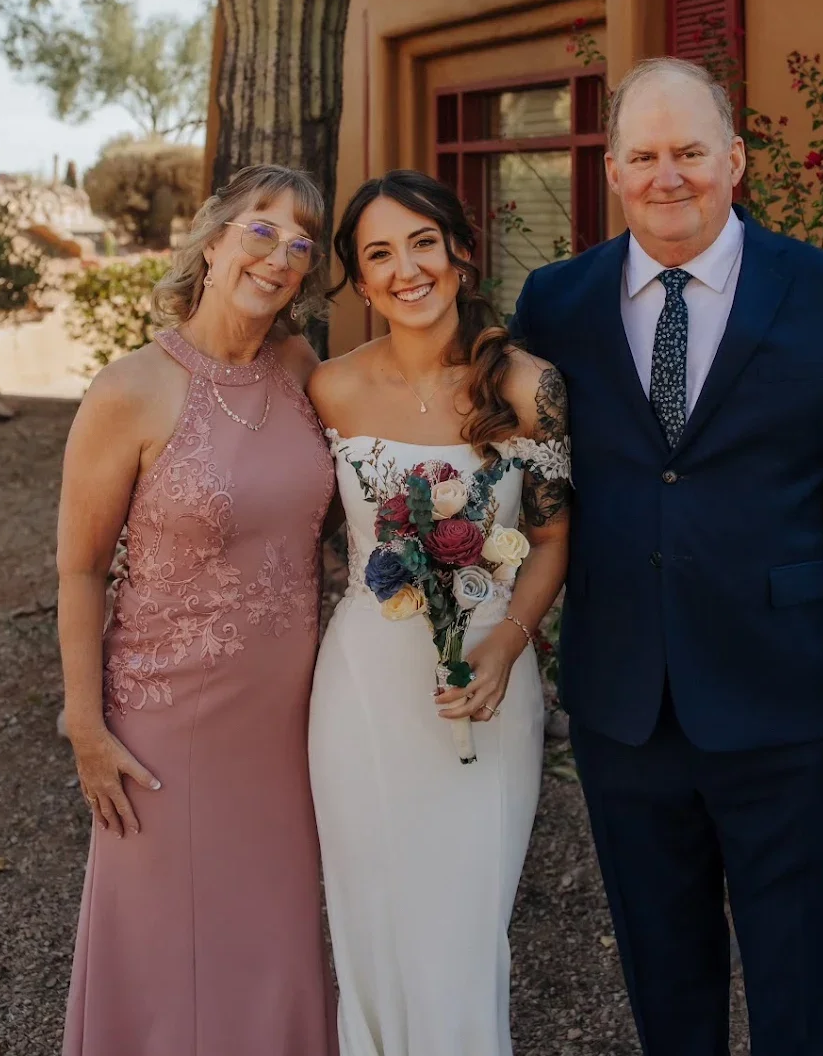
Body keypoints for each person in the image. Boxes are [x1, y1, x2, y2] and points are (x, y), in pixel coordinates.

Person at [511, 58, 823, 1056]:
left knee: (800, 982)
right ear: (613, 170)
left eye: (691, 151)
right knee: (665, 981)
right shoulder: (556, 302)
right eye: (645, 155)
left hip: (794, 700)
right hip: (627, 702)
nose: (670, 176)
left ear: (735, 159)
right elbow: (525, 485)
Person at [58, 164, 337, 1056]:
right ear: (212, 241)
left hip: (291, 722)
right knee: (165, 941)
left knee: (276, 936)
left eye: (301, 245)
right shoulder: (129, 389)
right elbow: (79, 569)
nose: (281, 256)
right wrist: (84, 724)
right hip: (165, 721)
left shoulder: (301, 371)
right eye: (262, 230)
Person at [306, 170, 571, 1056]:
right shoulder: (329, 390)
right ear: (359, 279)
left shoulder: (531, 387)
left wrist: (503, 643)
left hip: (489, 683)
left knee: (462, 929)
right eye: (379, 254)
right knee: (372, 921)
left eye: (422, 242)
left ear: (460, 251)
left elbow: (552, 542)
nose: (405, 268)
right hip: (361, 691)